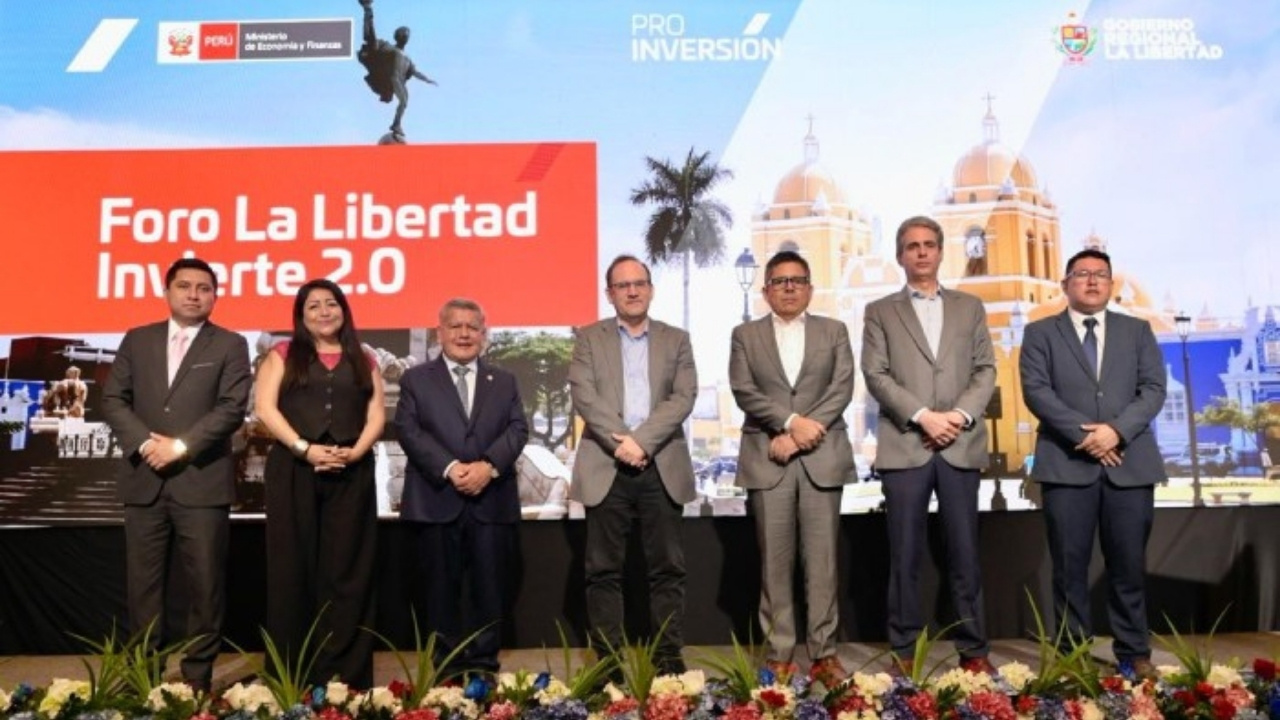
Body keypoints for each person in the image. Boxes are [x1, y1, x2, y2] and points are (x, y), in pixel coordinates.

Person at [101, 257, 251, 692]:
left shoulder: (231, 344)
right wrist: (147, 445)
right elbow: (113, 400)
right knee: (142, 588)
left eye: (204, 288)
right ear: (166, 291)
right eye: (184, 286)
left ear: (215, 296)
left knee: (206, 585)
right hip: (143, 480)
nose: (193, 294)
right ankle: (143, 679)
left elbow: (231, 408)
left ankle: (196, 679)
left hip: (201, 481)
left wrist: (180, 447)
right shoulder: (137, 339)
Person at [1019, 248, 1166, 680]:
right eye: (1082, 274)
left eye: (1100, 274)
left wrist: (1115, 432)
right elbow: (1037, 391)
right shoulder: (1040, 332)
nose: (1092, 280)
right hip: (1066, 466)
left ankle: (1134, 652)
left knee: (1128, 566)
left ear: (1110, 284)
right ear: (1065, 284)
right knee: (1069, 569)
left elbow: (1153, 389)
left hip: (1129, 465)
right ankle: (1073, 655)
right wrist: (1087, 437)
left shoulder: (1137, 331)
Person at [861, 216, 996, 675]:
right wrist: (923, 416)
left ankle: (974, 652)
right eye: (912, 246)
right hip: (906, 445)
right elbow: (876, 374)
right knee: (904, 555)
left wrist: (957, 417)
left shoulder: (970, 307)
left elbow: (985, 369)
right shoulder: (880, 311)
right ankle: (903, 652)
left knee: (965, 553)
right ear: (900, 256)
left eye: (929, 244)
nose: (921, 252)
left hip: (960, 442)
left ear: (940, 251)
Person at [729, 250, 855, 686]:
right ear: (765, 290)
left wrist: (802, 433)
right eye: (779, 281)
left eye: (797, 280)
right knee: (774, 564)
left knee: (823, 564)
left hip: (821, 458)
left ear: (810, 289)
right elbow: (744, 390)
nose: (788, 288)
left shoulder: (834, 331)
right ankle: (779, 655)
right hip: (769, 458)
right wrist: (789, 423)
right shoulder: (745, 335)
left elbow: (842, 387)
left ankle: (824, 655)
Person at [253, 278, 385, 687]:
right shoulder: (282, 354)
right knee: (293, 570)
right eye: (313, 306)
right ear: (301, 315)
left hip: (351, 472)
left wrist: (355, 452)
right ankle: (293, 674)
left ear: (343, 310)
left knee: (348, 572)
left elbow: (376, 414)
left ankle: (346, 677)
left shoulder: (364, 358)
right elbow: (265, 409)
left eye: (331, 304)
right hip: (295, 470)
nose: (324, 312)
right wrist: (304, 448)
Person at [568, 255, 697, 675]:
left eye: (639, 283)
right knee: (603, 571)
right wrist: (622, 442)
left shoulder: (677, 339)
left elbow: (683, 396)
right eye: (623, 285)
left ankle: (667, 660)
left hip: (661, 463)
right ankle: (608, 664)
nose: (633, 291)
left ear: (651, 289)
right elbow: (585, 396)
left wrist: (642, 442)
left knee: (668, 569)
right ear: (610, 294)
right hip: (607, 464)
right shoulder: (588, 339)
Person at [396, 298, 528, 676]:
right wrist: (451, 468)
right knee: (439, 591)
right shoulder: (415, 379)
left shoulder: (505, 380)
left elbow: (518, 429)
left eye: (473, 327)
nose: (464, 334)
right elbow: (408, 430)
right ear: (439, 333)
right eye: (455, 326)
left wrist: (488, 466)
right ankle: (447, 671)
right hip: (435, 500)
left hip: (491, 501)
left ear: (483, 334)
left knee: (490, 589)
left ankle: (484, 668)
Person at [357, 0, 437, 141]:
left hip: (396, 82)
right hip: (391, 80)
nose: (405, 37)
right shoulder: (390, 49)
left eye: (406, 35)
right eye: (403, 34)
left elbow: (415, 72)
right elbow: (372, 41)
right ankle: (368, 10)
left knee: (404, 102)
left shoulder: (407, 59)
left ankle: (396, 124)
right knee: (371, 40)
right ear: (398, 37)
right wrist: (368, 13)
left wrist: (427, 79)